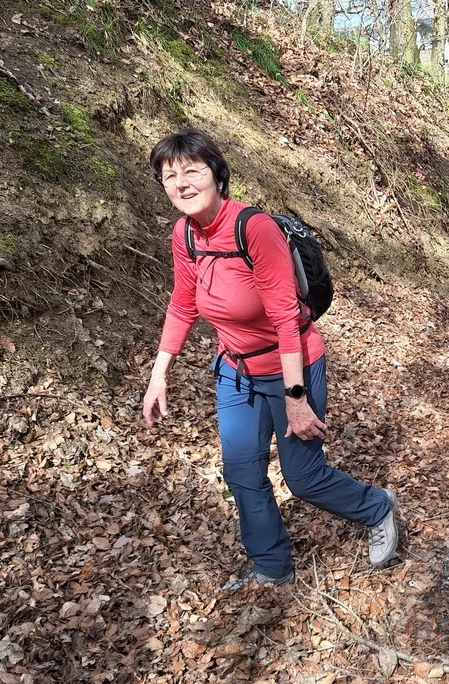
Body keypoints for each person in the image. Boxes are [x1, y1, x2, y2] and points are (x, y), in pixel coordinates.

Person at [141, 128, 399, 590]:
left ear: (218, 176)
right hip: (235, 372)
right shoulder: (184, 234)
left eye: (192, 171)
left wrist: (296, 398)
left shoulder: (254, 228)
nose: (181, 183)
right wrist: (159, 376)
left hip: (291, 366)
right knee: (243, 474)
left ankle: (378, 506)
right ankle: (271, 565)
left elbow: (284, 318)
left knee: (303, 478)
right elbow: (182, 304)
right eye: (169, 175)